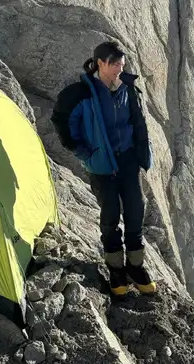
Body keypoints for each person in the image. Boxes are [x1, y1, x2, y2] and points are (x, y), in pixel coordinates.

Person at [50, 41, 156, 296]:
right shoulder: (81, 93)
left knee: (135, 209)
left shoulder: (127, 88)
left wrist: (141, 150)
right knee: (110, 216)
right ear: (100, 63)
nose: (120, 68)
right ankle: (116, 269)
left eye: (122, 63)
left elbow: (136, 120)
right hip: (101, 165)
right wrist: (86, 153)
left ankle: (136, 265)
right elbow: (64, 122)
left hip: (128, 159)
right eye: (115, 63)